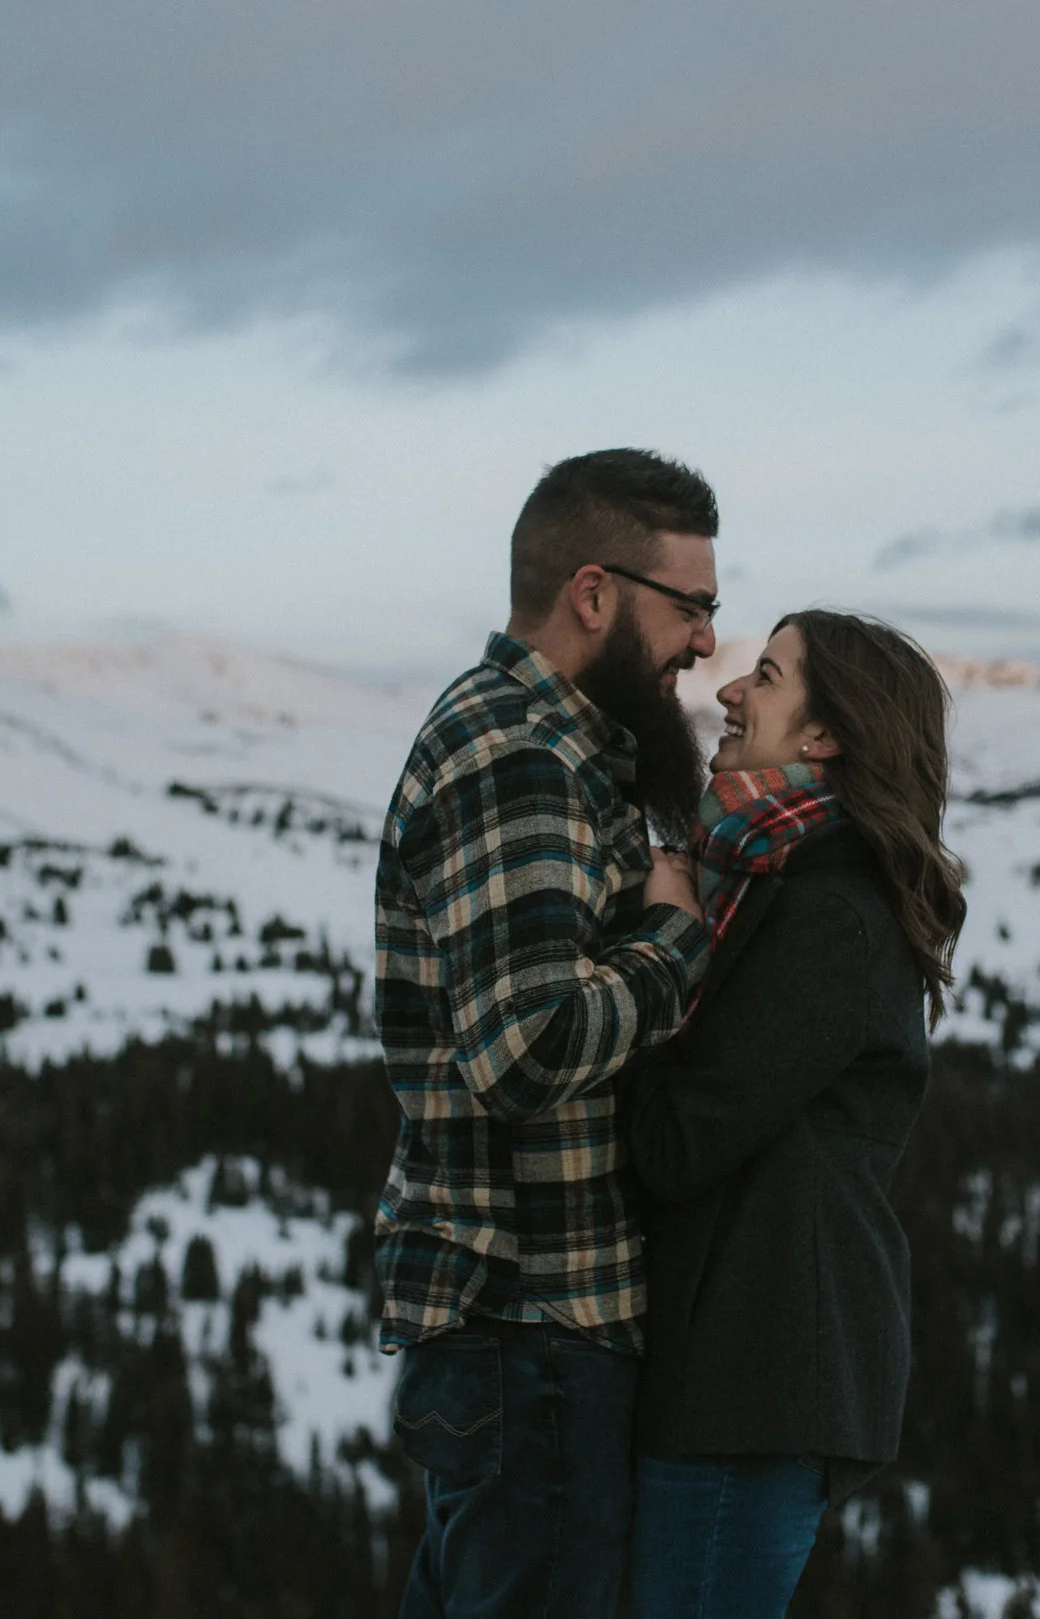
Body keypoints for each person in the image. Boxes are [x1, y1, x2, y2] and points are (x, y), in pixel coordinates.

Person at [374, 448, 727, 1619]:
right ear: (594, 593)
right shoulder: (520, 751)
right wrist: (674, 939)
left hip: (525, 1342)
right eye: (692, 606)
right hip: (535, 1329)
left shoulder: (561, 745)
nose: (706, 644)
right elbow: (524, 1049)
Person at [620, 609, 967, 1619]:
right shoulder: (773, 876)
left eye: (763, 677)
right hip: (731, 1364)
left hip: (754, 1378)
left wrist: (663, 946)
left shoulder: (830, 916)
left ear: (823, 739)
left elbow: (674, 1142)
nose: (729, 692)